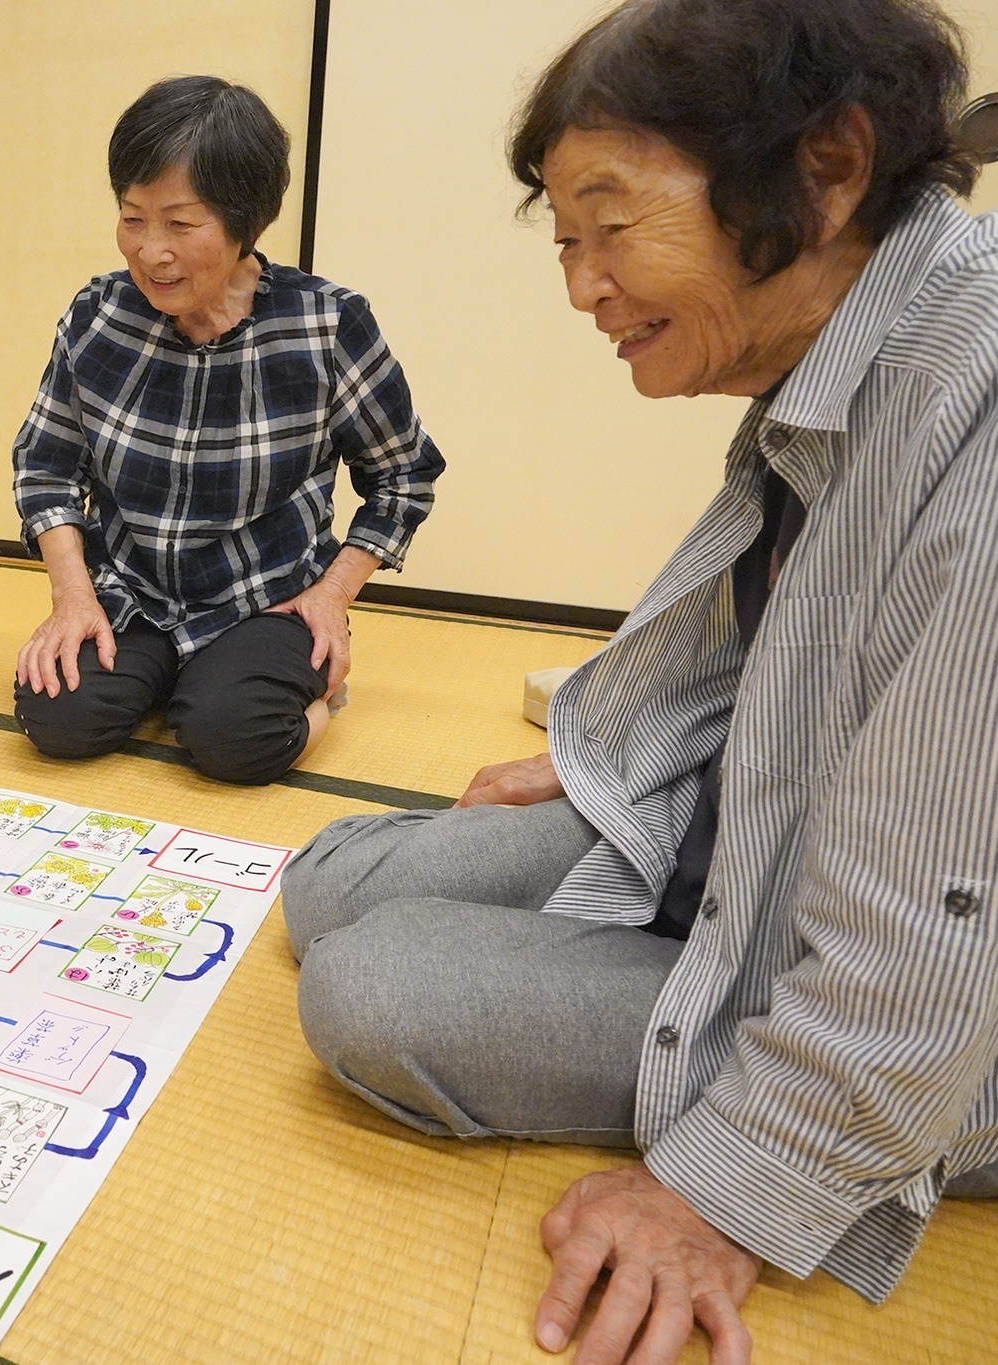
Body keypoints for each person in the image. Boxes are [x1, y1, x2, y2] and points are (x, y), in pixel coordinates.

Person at [282, 1, 997, 1360]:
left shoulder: (983, 386)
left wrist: (728, 1188)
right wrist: (614, 753)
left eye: (612, 228)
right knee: (325, 880)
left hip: (912, 987)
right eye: (566, 241)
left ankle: (865, 1127)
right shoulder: (843, 351)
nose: (581, 287)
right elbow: (786, 657)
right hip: (746, 845)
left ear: (828, 167)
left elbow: (946, 891)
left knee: (370, 993)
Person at [10, 75, 444, 785]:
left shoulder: (325, 325)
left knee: (232, 740)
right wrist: (72, 597)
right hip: (129, 588)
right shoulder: (98, 315)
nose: (151, 251)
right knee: (56, 716)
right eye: (133, 218)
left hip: (263, 596)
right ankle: (167, 674)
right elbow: (46, 465)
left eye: (181, 225)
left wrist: (330, 597)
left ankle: (296, 690)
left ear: (247, 223)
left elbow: (403, 477)